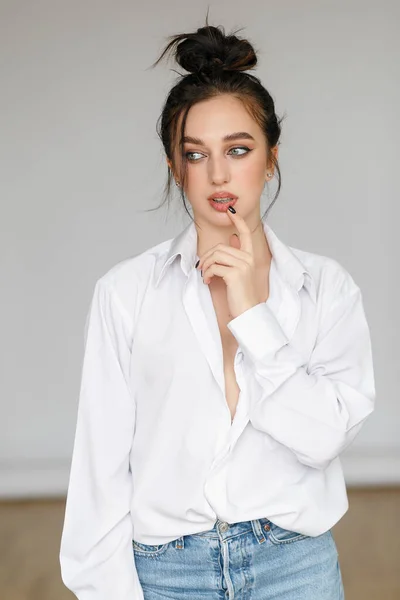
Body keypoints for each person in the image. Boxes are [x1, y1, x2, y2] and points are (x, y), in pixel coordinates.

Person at [59, 17, 376, 600]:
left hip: (294, 568)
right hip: (165, 573)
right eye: (196, 154)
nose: (219, 174)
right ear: (174, 167)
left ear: (271, 157)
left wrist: (254, 317)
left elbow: (324, 436)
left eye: (238, 149)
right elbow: (99, 468)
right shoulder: (125, 293)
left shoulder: (326, 288)